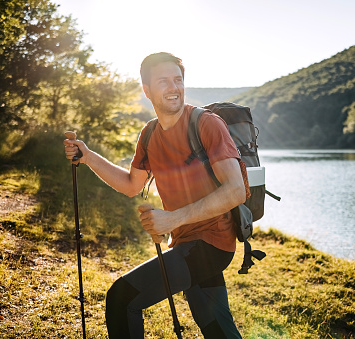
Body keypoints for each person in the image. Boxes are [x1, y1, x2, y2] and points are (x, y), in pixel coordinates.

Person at [63, 52, 245, 338]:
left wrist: (172, 219)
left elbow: (236, 190)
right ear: (146, 90)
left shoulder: (207, 124)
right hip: (186, 243)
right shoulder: (149, 134)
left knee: (121, 299)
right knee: (216, 326)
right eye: (164, 81)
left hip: (211, 243)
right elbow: (131, 185)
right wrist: (88, 157)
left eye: (178, 79)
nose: (174, 87)